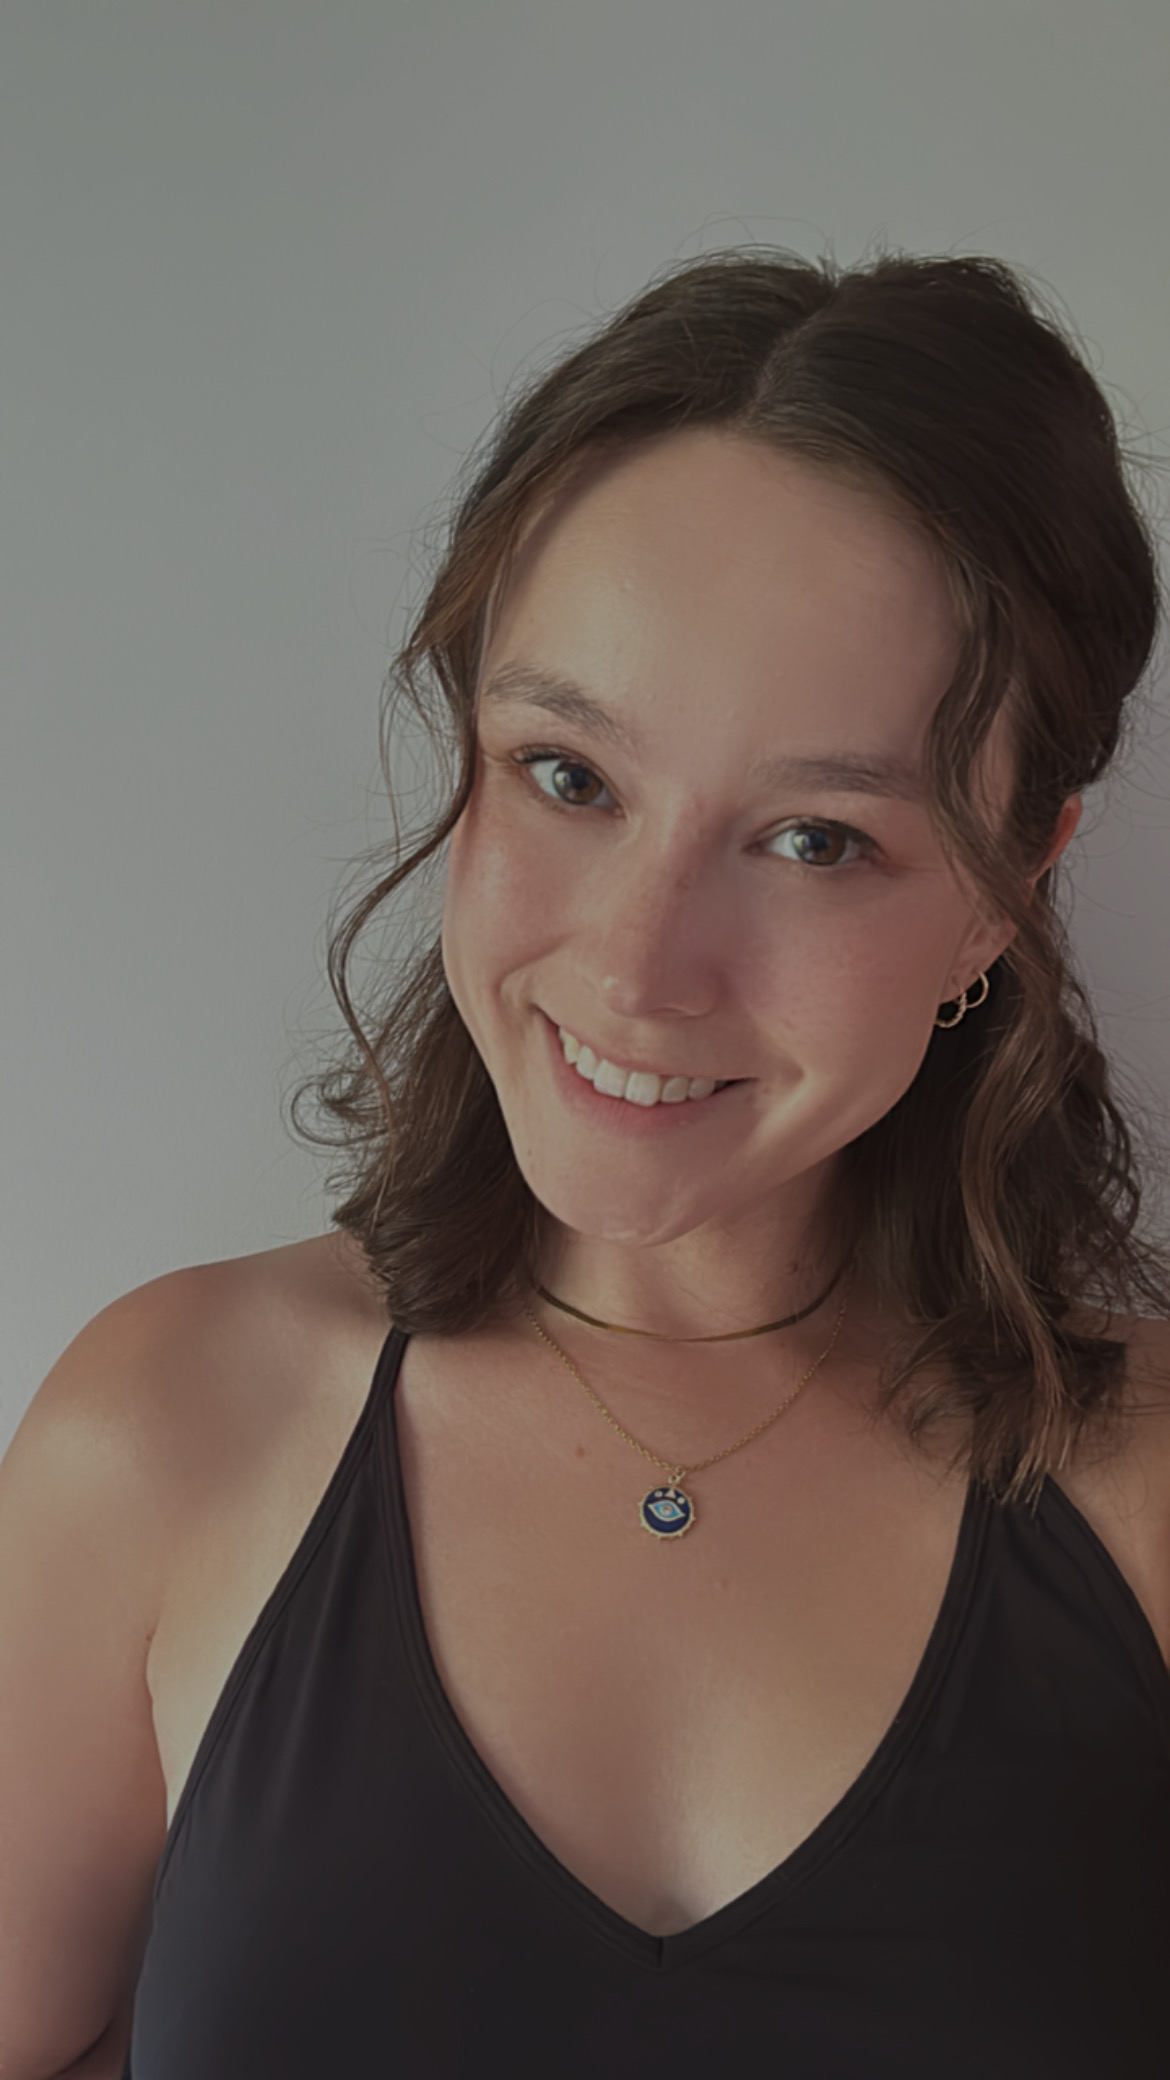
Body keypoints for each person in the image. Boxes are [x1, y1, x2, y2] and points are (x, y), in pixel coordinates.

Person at [2, 248, 1169, 2080]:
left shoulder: (1145, 1492)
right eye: (568, 775)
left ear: (1007, 888)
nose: (636, 968)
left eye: (814, 838)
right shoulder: (165, 1426)